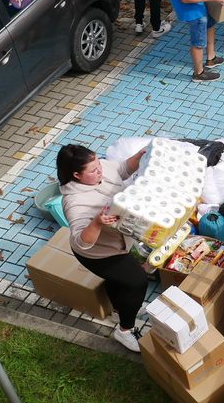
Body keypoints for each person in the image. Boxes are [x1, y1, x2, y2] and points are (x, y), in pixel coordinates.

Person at [57, 144, 148, 352]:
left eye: (99, 164)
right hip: (99, 254)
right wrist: (97, 223)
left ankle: (119, 310)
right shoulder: (75, 202)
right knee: (137, 281)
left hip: (118, 242)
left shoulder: (101, 167)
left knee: (119, 282)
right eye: (94, 170)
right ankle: (125, 330)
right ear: (77, 175)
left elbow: (123, 168)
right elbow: (82, 241)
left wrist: (141, 155)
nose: (100, 170)